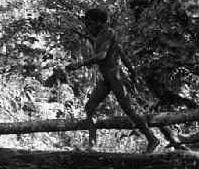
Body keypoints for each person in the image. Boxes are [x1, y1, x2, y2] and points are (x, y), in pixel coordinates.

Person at [65, 8, 160, 153]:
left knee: (128, 109)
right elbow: (120, 54)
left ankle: (152, 139)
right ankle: (92, 145)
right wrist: (133, 72)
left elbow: (102, 55)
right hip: (106, 78)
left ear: (98, 22)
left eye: (90, 24)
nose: (88, 27)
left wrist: (80, 64)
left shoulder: (109, 32)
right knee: (89, 107)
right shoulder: (100, 36)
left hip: (115, 75)